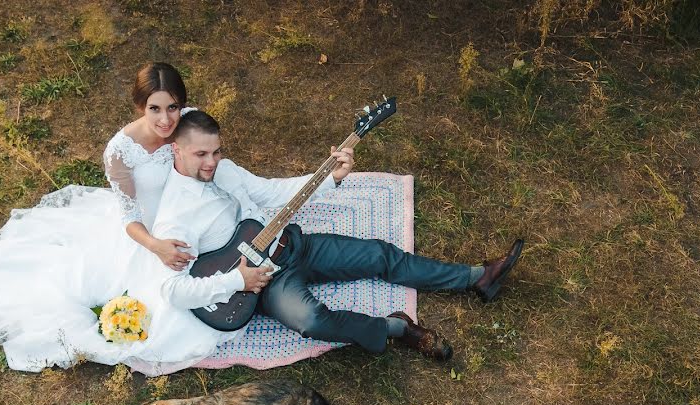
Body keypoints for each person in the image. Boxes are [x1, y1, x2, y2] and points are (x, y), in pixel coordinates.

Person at [154, 110, 524, 361]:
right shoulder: (176, 217)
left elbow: (271, 193)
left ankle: (478, 277)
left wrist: (331, 176)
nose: (212, 162)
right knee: (312, 321)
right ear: (176, 149)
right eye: (201, 154)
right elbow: (173, 290)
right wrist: (238, 278)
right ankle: (397, 327)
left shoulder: (225, 169)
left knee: (378, 255)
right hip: (264, 283)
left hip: (294, 245)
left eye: (217, 152)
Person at [0, 63, 241, 373]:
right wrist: (157, 246)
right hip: (150, 235)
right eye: (154, 108)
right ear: (140, 106)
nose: (165, 119)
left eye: (172, 107)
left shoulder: (187, 124)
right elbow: (129, 217)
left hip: (191, 213)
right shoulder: (120, 151)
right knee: (172, 319)